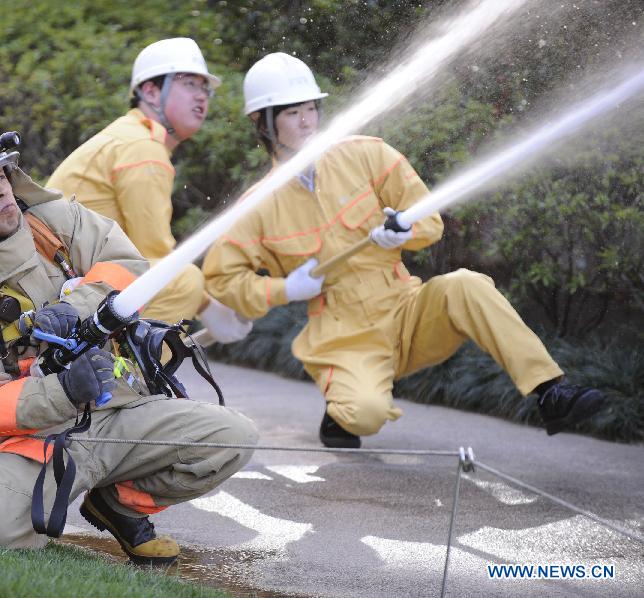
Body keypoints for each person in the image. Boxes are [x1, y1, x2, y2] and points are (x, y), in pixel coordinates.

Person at [202, 53, 604, 448]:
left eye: (310, 108)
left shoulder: (367, 153)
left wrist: (404, 231)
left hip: (405, 308)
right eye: (291, 113)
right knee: (364, 414)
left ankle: (551, 391)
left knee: (466, 284)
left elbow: (430, 221)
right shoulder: (257, 205)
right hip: (343, 336)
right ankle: (342, 413)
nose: (307, 120)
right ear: (263, 122)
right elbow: (221, 279)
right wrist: (285, 290)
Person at [0, 116, 257, 564]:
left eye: (1, 174)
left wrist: (75, 308)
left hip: (119, 410)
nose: (1, 189)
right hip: (38, 438)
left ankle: (116, 503)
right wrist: (64, 390)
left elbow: (129, 264)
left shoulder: (55, 222)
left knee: (233, 438)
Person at [48, 37, 251, 343]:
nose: (202, 97)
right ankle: (137, 387)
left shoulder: (130, 137)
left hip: (64, 286)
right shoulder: (142, 148)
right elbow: (154, 260)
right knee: (184, 279)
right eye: (189, 84)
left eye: (204, 88)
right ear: (151, 91)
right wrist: (208, 307)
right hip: (67, 292)